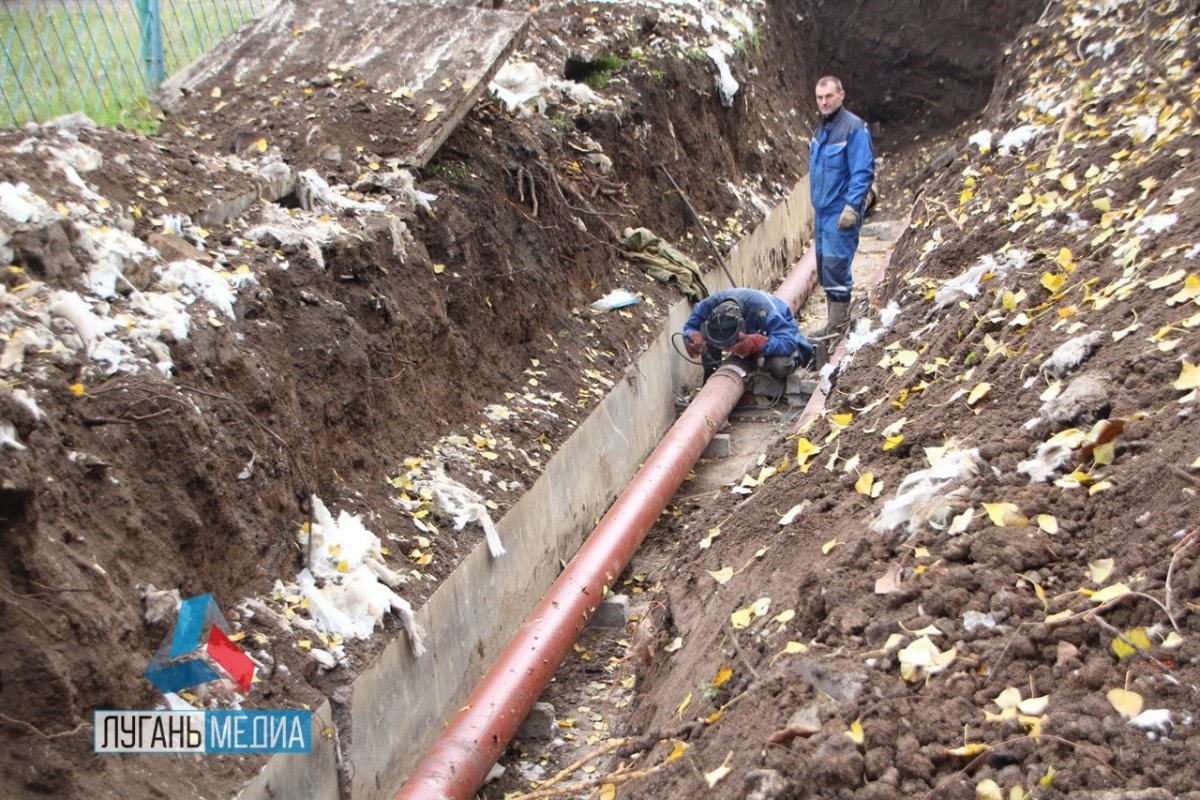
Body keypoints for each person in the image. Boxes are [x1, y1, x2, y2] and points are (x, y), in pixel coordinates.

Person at [810, 75, 875, 361]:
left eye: (829, 96)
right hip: (822, 213)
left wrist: (852, 206)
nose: (824, 102)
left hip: (839, 213)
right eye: (820, 98)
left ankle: (839, 328)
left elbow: (862, 170)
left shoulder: (853, 129)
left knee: (837, 269)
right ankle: (833, 323)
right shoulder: (821, 132)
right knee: (826, 269)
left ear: (841, 95)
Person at [683, 288, 813, 380]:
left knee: (778, 366)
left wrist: (758, 343)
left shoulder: (765, 310)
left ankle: (787, 362)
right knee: (707, 337)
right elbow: (691, 326)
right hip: (746, 333)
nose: (727, 348)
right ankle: (711, 379)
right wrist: (692, 336)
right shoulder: (709, 306)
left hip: (776, 335)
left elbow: (788, 342)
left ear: (743, 324)